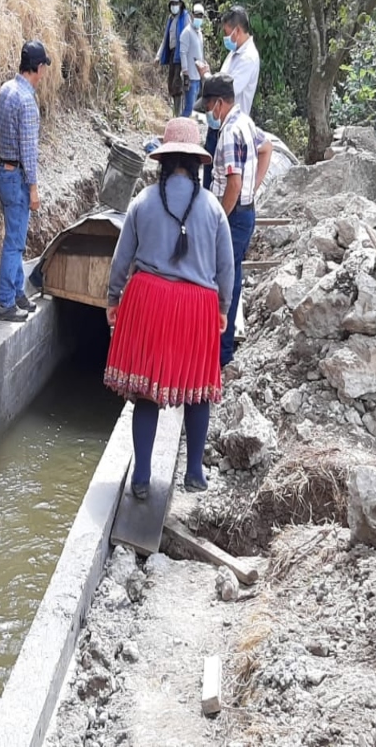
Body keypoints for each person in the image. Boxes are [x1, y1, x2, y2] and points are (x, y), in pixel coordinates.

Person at [104, 118, 234, 499]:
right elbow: (225, 267)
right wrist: (223, 308)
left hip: (149, 301)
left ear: (163, 160)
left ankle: (141, 478)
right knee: (198, 390)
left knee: (146, 390)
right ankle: (194, 474)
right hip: (197, 307)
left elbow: (121, 257)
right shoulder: (212, 208)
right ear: (196, 163)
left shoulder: (143, 200)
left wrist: (114, 298)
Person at [198, 74, 272, 367]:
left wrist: (218, 219)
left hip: (232, 216)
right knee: (232, 276)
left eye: (208, 107)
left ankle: (219, 353)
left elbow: (233, 184)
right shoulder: (246, 122)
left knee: (223, 282)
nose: (208, 114)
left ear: (218, 104)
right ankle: (220, 351)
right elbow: (267, 149)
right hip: (244, 212)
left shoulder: (229, 132)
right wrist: (252, 191)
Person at [0, 40, 51, 323]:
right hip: (16, 177)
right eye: (43, 69)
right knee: (14, 243)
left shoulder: (6, 89)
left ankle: (17, 293)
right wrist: (34, 188)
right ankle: (4, 302)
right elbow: (28, 150)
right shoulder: (27, 100)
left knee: (14, 238)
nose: (43, 75)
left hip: (2, 171)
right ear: (38, 67)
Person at [203, 5, 260, 189]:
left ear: (237, 30)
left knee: (224, 181)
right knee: (210, 176)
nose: (225, 37)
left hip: (231, 127)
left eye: (227, 33)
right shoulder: (234, 54)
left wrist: (206, 77)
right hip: (218, 123)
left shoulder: (248, 58)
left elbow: (227, 91)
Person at [157, 0, 189, 111]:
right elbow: (165, 39)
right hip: (172, 54)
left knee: (177, 84)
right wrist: (158, 56)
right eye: (172, 4)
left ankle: (178, 113)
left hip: (181, 55)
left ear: (181, 4)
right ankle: (176, 112)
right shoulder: (171, 19)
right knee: (171, 83)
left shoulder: (185, 17)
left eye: (176, 3)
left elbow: (188, 37)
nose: (173, 6)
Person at [178, 3, 208, 118]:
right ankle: (180, 129)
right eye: (197, 15)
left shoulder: (199, 33)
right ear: (192, 15)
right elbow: (183, 52)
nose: (199, 18)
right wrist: (185, 71)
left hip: (197, 76)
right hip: (189, 76)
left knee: (191, 108)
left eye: (201, 16)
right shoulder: (187, 32)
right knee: (188, 108)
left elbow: (200, 53)